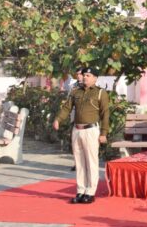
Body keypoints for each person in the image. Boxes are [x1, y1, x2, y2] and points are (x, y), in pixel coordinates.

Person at [53, 67, 108, 204]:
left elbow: (105, 114)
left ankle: (90, 192)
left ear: (95, 78)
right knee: (79, 162)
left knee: (91, 161)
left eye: (88, 75)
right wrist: (58, 119)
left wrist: (104, 133)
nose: (85, 77)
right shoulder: (75, 91)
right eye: (84, 75)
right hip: (77, 130)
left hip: (91, 131)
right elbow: (67, 107)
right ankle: (80, 191)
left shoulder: (100, 93)